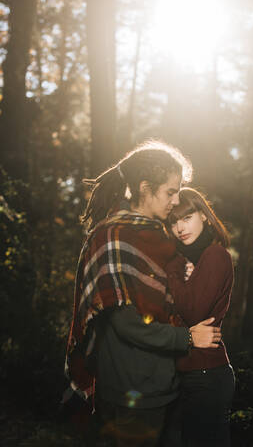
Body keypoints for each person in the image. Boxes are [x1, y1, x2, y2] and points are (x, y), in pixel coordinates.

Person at [64, 141, 222, 447]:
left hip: (166, 384)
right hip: (129, 393)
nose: (176, 201)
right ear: (144, 188)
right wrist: (188, 338)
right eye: (170, 192)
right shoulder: (111, 237)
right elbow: (127, 324)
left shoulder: (159, 237)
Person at [165, 187, 235, 447]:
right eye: (173, 222)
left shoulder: (215, 255)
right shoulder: (188, 260)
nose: (180, 228)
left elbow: (193, 311)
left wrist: (172, 270)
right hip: (188, 372)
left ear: (204, 215)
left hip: (207, 374)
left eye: (187, 218)